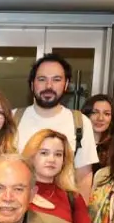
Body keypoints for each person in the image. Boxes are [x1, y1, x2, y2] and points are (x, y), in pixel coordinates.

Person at [15, 54, 99, 199]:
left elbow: (83, 176)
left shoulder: (80, 122)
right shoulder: (13, 118)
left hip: (62, 207)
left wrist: (80, 211)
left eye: (56, 79)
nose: (49, 86)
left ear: (66, 84)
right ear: (32, 84)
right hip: (17, 206)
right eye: (42, 79)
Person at [24, 130, 93, 223]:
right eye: (44, 153)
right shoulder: (16, 193)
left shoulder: (73, 197)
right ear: (31, 156)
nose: (51, 159)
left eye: (58, 154)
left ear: (64, 161)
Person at [84, 94, 114, 172]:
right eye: (95, 112)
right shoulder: (73, 142)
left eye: (106, 114)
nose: (100, 118)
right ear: (86, 114)